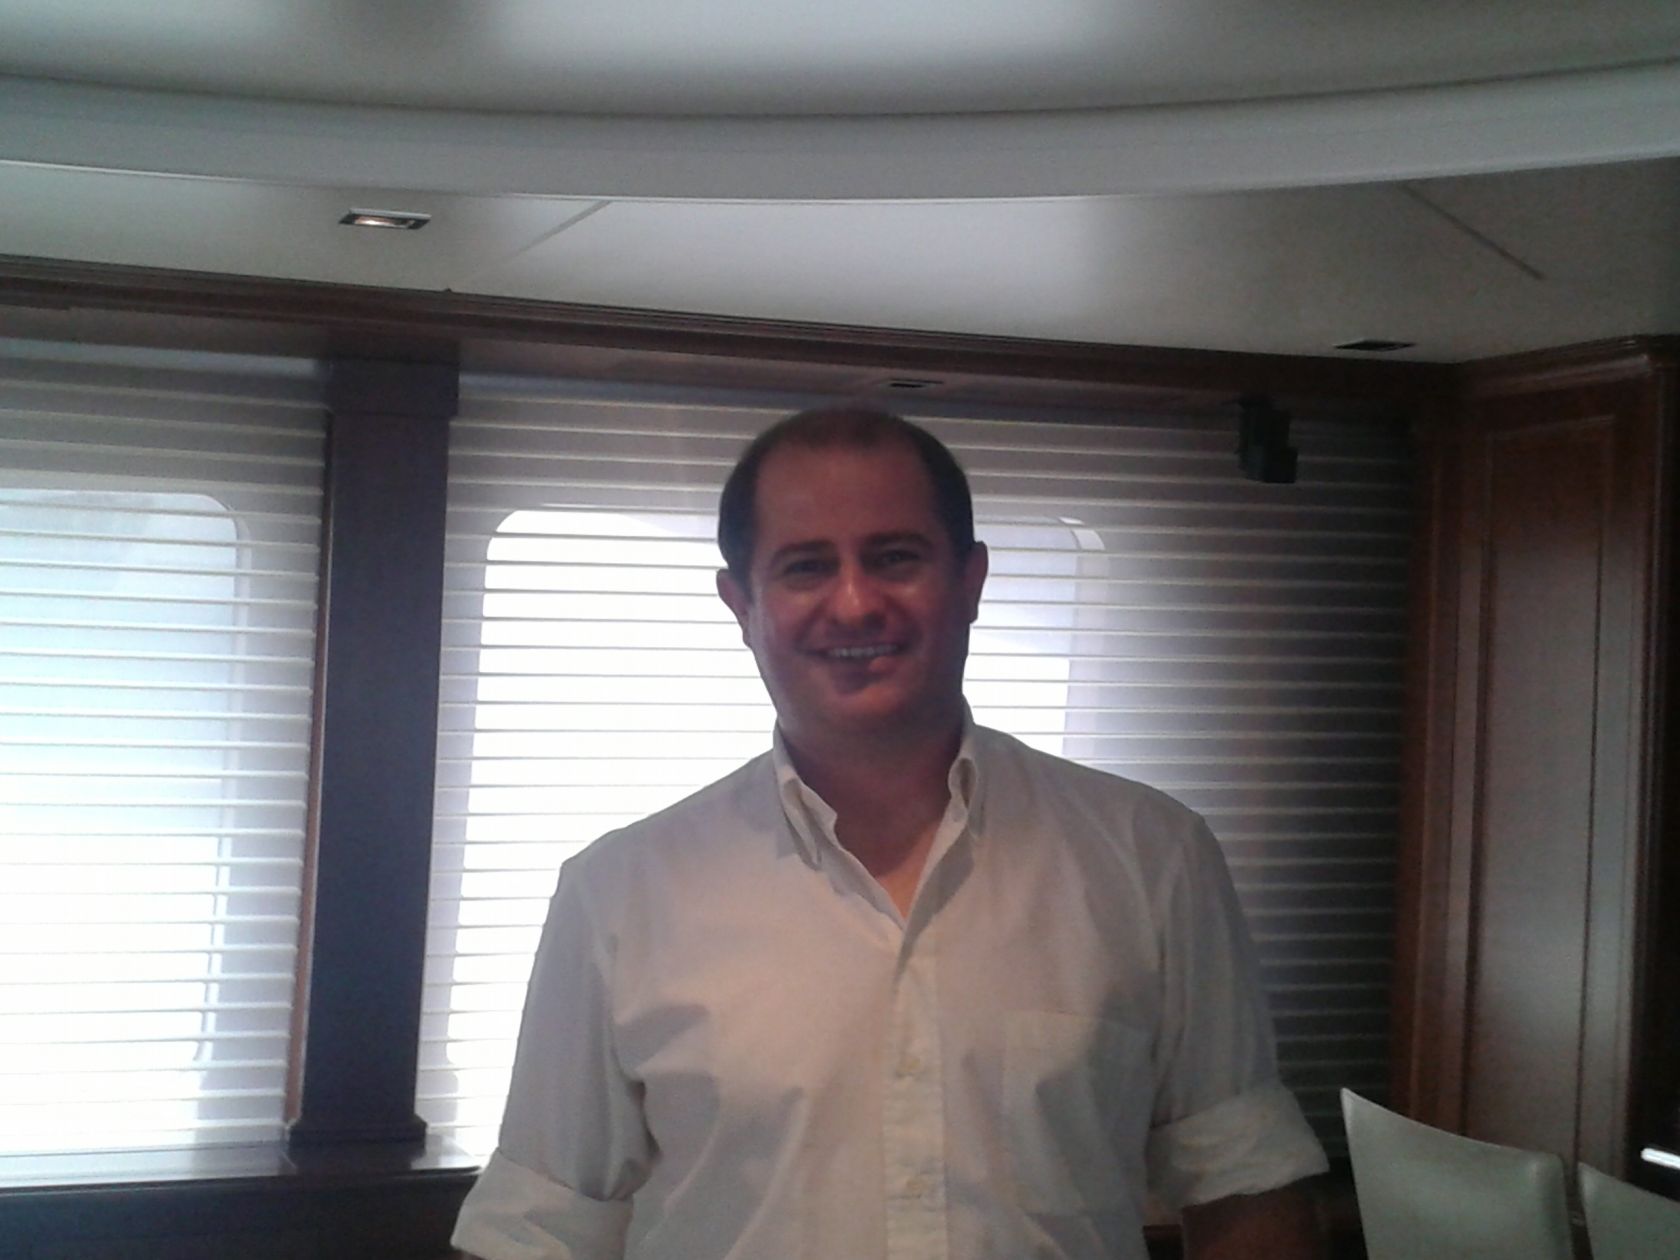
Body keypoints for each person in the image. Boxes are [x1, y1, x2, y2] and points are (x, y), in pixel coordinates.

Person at [452, 408, 1329, 1260]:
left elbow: (1245, 1186)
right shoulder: (618, 894)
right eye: (805, 567)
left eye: (895, 557)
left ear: (970, 581)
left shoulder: (1152, 857)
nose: (855, 602)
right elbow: (539, 1229)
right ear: (741, 604)